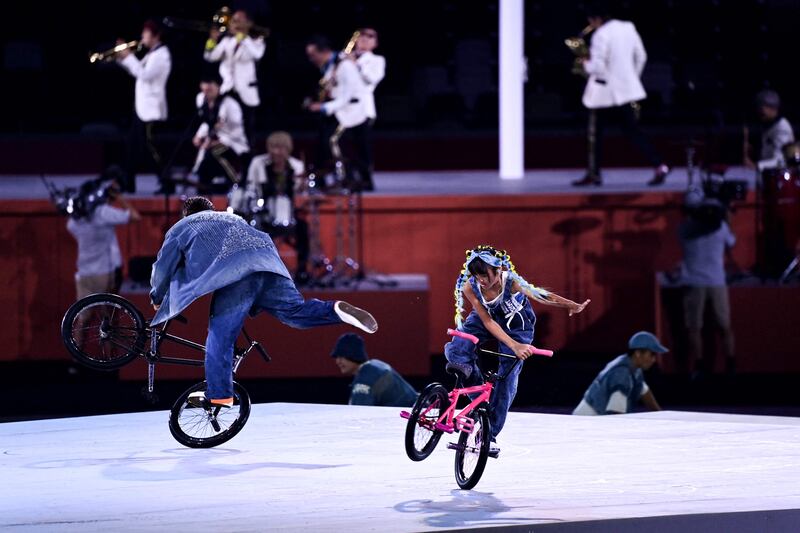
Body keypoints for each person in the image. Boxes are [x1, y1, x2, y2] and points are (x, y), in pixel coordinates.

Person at [149, 196, 378, 408]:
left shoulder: (182, 227)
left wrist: (157, 297)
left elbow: (162, 269)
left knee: (220, 336)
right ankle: (336, 310)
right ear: (212, 210)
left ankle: (219, 394)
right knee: (295, 313)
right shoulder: (233, 218)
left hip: (238, 272)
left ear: (186, 214)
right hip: (268, 263)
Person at [445, 245, 590, 456]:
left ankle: (489, 434)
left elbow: (541, 295)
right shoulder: (470, 287)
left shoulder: (511, 282)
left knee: (508, 378)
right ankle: (480, 398)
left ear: (498, 269)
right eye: (478, 276)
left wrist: (570, 305)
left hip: (516, 325)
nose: (482, 281)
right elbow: (486, 321)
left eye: (485, 275)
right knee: (459, 346)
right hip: (488, 319)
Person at [572, 4, 669, 188]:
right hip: (625, 92)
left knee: (594, 135)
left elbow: (598, 68)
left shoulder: (601, 35)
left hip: (604, 95)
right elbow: (641, 56)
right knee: (633, 132)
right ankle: (659, 165)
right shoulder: (628, 27)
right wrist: (631, 78)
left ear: (596, 19)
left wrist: (585, 63)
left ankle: (594, 174)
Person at [239, 131, 311, 282]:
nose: (278, 152)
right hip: (264, 214)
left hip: (289, 213)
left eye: (282, 148)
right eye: (274, 147)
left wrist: (302, 187)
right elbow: (251, 189)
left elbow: (301, 194)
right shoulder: (258, 163)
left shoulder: (296, 166)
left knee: (303, 229)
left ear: (288, 149)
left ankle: (302, 271)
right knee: (253, 228)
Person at [678, 192, 736, 377]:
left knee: (695, 327)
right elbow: (731, 243)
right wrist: (727, 219)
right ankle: (731, 365)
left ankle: (700, 366)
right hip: (716, 282)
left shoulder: (684, 229)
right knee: (724, 326)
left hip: (695, 282)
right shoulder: (720, 229)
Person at [306, 36, 373, 191]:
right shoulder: (331, 66)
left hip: (352, 112)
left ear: (323, 52)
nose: (311, 59)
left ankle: (345, 178)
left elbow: (347, 96)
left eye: (313, 55)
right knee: (324, 140)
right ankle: (324, 177)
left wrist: (323, 107)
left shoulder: (345, 66)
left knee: (332, 140)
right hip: (340, 111)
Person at [117, 20, 172, 194]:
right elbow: (138, 69)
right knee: (131, 146)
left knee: (151, 148)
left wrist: (128, 57)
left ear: (156, 35)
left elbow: (144, 75)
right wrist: (122, 58)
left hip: (152, 109)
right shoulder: (151, 54)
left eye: (145, 33)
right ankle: (128, 182)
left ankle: (167, 181)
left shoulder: (162, 54)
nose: (142, 37)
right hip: (142, 108)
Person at [67, 176, 141, 300]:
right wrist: (118, 197)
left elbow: (70, 226)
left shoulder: (76, 219)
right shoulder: (103, 212)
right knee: (108, 314)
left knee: (83, 317)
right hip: (104, 271)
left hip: (84, 272)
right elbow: (135, 216)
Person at [203, 9, 265, 148]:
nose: (233, 22)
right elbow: (210, 57)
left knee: (247, 129)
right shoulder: (227, 41)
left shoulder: (256, 40)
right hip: (227, 89)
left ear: (248, 23)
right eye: (233, 19)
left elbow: (257, 55)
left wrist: (243, 38)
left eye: (238, 20)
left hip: (245, 93)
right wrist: (212, 41)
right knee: (221, 124)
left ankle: (247, 159)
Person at [573, 331, 666, 415]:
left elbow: (644, 392)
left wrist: (660, 416)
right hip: (585, 424)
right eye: (652, 354)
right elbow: (616, 415)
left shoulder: (634, 368)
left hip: (591, 421)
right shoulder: (622, 374)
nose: (654, 359)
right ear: (638, 353)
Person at [192, 72, 250, 194]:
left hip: (233, 142)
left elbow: (237, 131)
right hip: (212, 140)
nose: (207, 89)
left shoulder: (230, 104)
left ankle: (236, 182)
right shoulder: (201, 100)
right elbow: (206, 122)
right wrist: (199, 136)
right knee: (206, 155)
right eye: (205, 84)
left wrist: (218, 141)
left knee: (214, 152)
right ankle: (204, 188)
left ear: (219, 87)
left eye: (211, 85)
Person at [331, 333, 417, 407]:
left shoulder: (366, 377)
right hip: (420, 417)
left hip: (413, 421)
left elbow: (358, 416)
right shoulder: (374, 366)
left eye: (342, 356)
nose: (337, 361)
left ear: (353, 354)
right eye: (336, 357)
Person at [744, 90, 795, 171]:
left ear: (773, 108)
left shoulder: (782, 127)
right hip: (767, 173)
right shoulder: (767, 124)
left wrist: (757, 165)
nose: (760, 110)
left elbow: (781, 161)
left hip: (779, 177)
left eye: (764, 107)